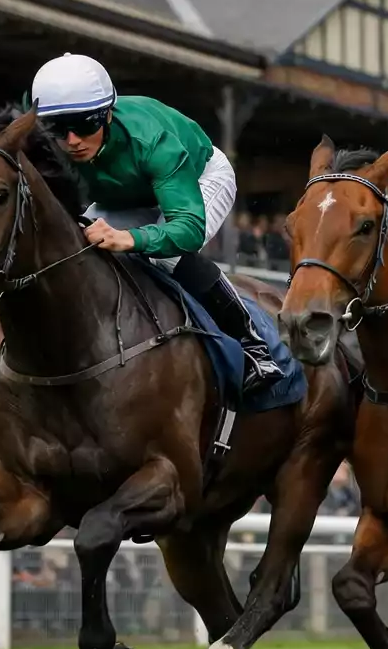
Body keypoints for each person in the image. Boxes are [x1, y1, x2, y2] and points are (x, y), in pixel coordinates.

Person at [28, 53, 281, 394]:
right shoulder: (49, 140)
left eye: (85, 124)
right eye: (59, 128)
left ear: (107, 114)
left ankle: (254, 348)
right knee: (77, 244)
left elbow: (188, 230)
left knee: (167, 255)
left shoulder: (153, 141)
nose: (72, 140)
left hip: (199, 177)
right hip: (130, 195)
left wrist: (130, 239)